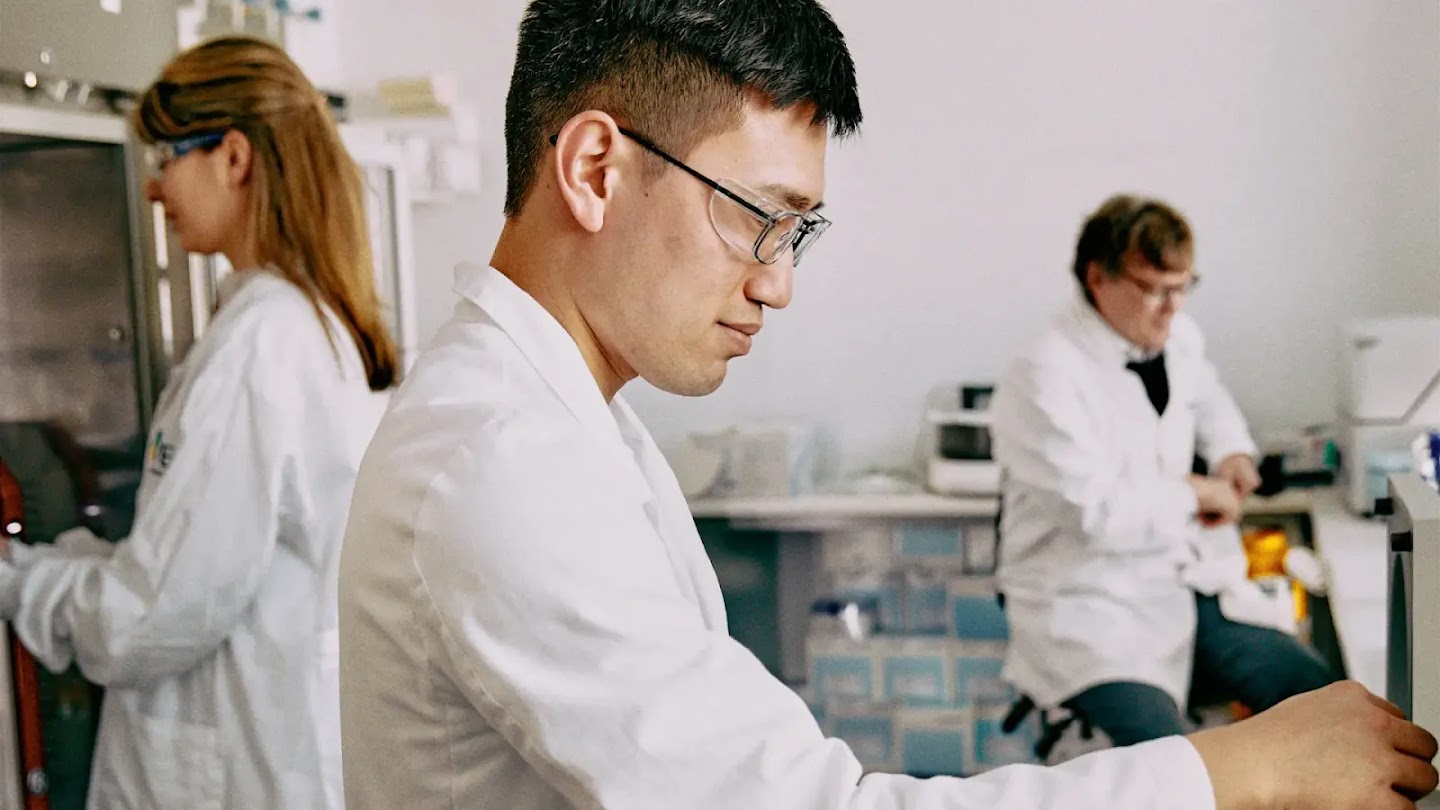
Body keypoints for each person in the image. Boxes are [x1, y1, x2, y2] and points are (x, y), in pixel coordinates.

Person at [336, 3, 1437, 809]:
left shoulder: (558, 414)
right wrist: (1237, 770)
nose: (778, 280)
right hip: (1093, 625)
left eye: (797, 232)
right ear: (592, 168)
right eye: (761, 217)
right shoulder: (504, 460)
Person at [0, 35, 395, 809]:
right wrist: (82, 560)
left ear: (235, 157)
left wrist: (17, 581)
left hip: (230, 771)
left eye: (166, 158)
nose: (152, 190)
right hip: (282, 752)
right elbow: (198, 566)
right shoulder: (315, 321)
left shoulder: (260, 342)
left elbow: (147, 622)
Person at [989, 194, 1341, 748]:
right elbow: (1095, 514)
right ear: (1098, 278)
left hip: (1181, 584)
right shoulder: (1043, 372)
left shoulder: (1176, 337)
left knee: (1324, 702)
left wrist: (1233, 452)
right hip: (1090, 608)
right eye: (1155, 289)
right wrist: (1195, 492)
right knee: (1171, 764)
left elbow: (1208, 398)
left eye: (1183, 287)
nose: (1173, 307)